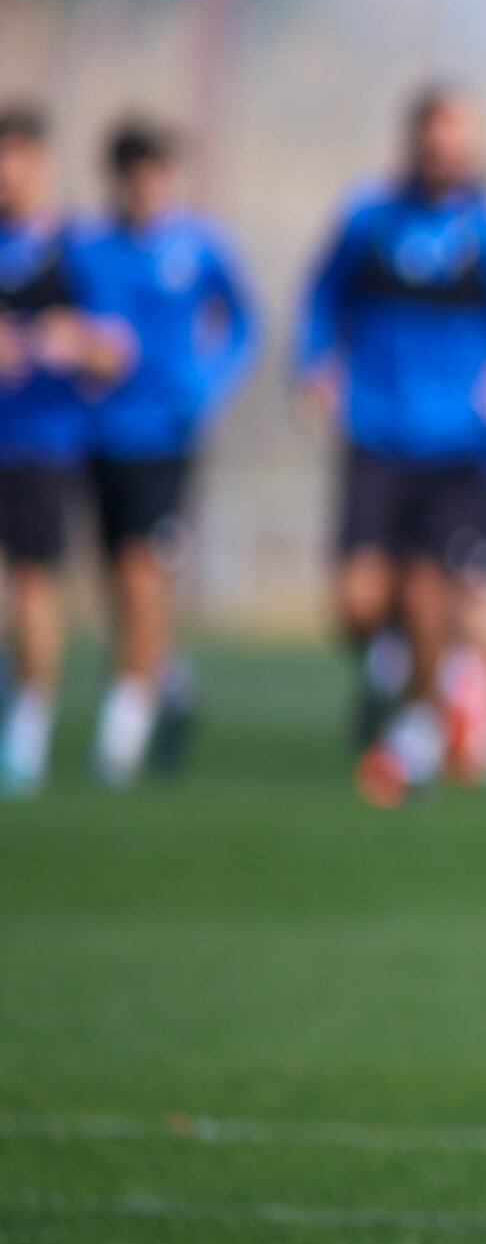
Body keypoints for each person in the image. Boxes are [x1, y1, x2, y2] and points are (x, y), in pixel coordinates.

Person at [293, 84, 486, 807]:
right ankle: (427, 671)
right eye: (434, 137)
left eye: (458, 137)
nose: (446, 151)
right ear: (414, 140)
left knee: (427, 591)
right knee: (357, 601)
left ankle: (415, 735)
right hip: (378, 433)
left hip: (463, 446)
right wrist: (315, 364)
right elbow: (323, 297)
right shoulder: (369, 219)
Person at [74, 117, 259, 786]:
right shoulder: (86, 248)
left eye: (157, 173)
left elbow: (243, 322)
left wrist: (207, 382)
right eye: (135, 174)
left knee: (142, 573)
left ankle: (120, 738)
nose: (146, 186)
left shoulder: (199, 246)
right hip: (98, 433)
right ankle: (171, 683)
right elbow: (58, 318)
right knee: (116, 587)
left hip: (168, 438)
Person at [0, 103, 136, 796]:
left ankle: (27, 726)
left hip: (42, 446)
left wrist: (70, 340)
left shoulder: (74, 252)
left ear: (41, 165)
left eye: (17, 158)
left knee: (33, 582)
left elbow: (118, 351)